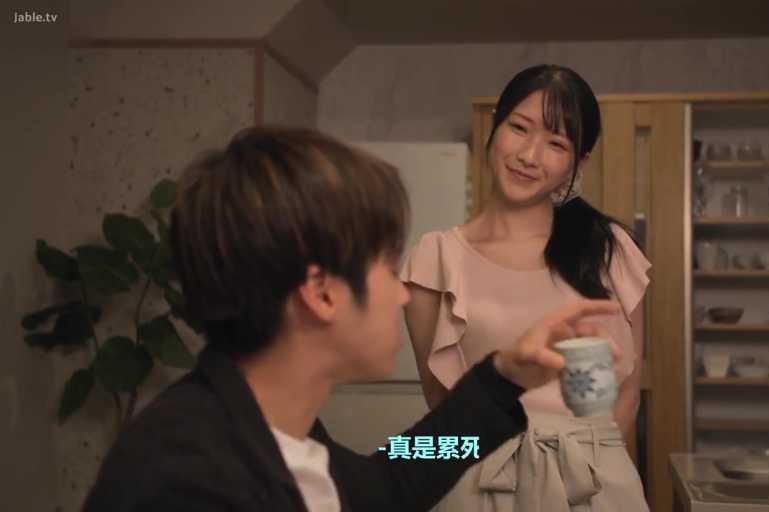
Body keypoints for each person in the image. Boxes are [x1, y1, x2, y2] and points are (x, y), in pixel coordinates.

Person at [80, 126, 624, 512]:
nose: (403, 295)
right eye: (387, 268)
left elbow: (390, 475)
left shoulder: (285, 433)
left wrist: (503, 376)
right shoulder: (185, 477)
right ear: (321, 293)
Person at [401, 64, 652, 511]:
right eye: (519, 128)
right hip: (480, 488)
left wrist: (589, 471)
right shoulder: (436, 259)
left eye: (556, 144)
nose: (530, 156)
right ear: (495, 124)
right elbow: (444, 413)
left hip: (594, 486)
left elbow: (627, 393)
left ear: (579, 162)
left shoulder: (610, 250)